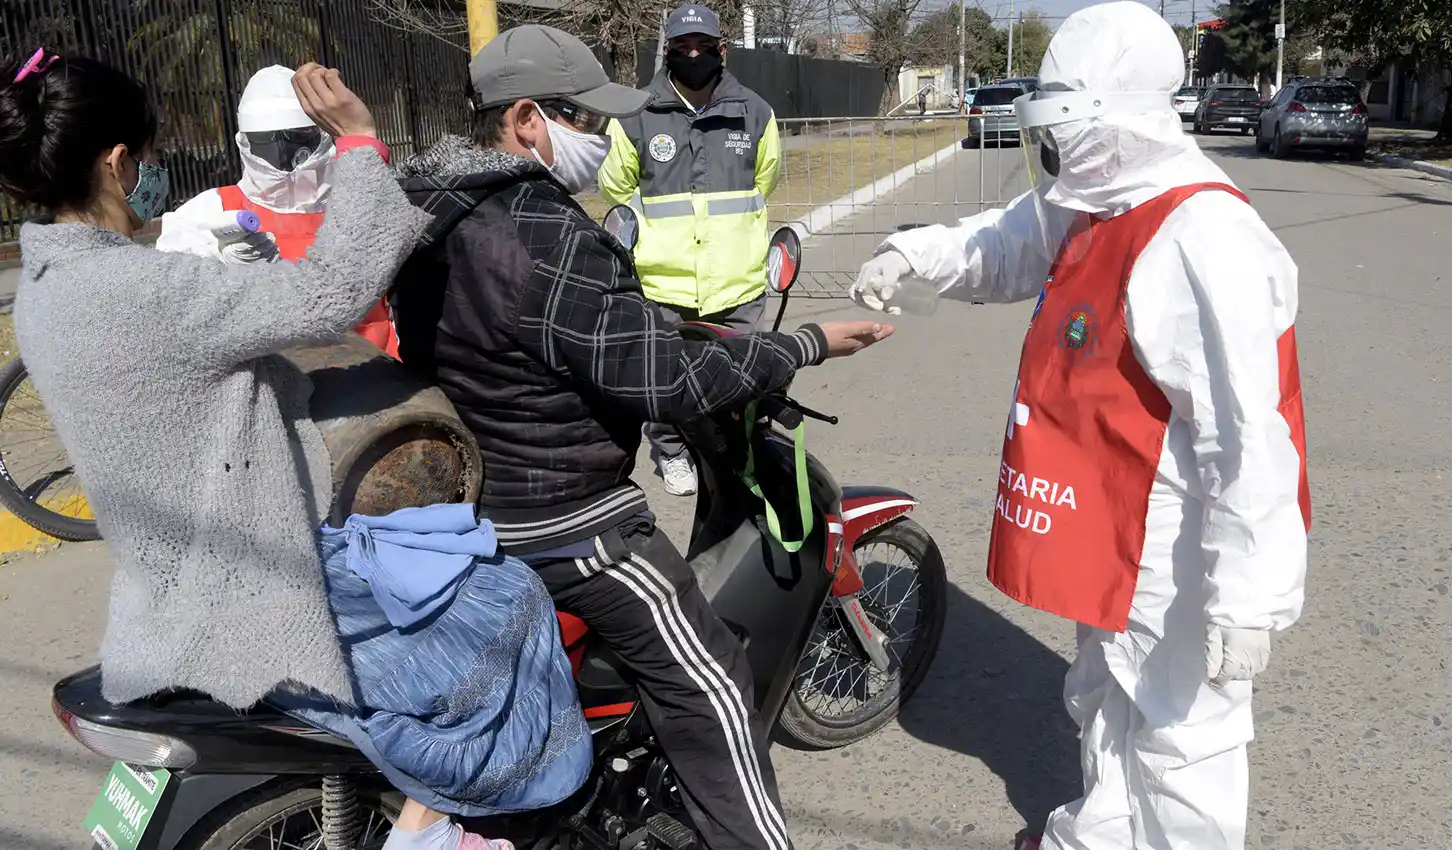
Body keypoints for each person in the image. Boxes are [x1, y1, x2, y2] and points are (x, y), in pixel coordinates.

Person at [0, 51, 585, 850]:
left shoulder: (45, 289)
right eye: (150, 158)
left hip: (174, 576)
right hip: (254, 580)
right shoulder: (140, 289)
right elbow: (330, 294)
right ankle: (439, 825)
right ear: (116, 163)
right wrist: (358, 142)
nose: (156, 174)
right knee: (511, 604)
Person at [390, 24, 892, 850]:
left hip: (472, 502)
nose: (600, 137)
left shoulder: (431, 209)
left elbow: (554, 339)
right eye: (584, 119)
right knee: (715, 684)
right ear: (525, 120)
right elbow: (672, 383)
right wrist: (804, 345)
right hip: (564, 520)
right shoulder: (541, 230)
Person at [849, 4, 1311, 849]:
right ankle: (1100, 834)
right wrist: (914, 254)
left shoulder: (1203, 234)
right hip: (1110, 522)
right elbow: (1005, 243)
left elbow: (1249, 439)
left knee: (1183, 736)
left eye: (1065, 130)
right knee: (1101, 693)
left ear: (1119, 118)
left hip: (1179, 544)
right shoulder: (1097, 200)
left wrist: (1251, 595)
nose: (1054, 155)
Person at [598, 4, 782, 497]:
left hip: (737, 281)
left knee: (737, 379)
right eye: (682, 47)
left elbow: (764, 182)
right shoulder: (636, 116)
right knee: (662, 378)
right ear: (667, 52)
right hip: (664, 282)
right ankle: (671, 449)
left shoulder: (755, 113)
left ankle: (732, 451)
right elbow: (616, 190)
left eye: (703, 45)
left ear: (722, 50)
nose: (693, 54)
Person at [155, 64, 401, 358]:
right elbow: (172, 307)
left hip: (382, 376)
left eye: (298, 137)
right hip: (281, 386)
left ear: (322, 134)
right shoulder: (206, 213)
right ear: (245, 141)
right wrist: (217, 268)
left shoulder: (357, 197)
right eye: (265, 141)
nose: (284, 154)